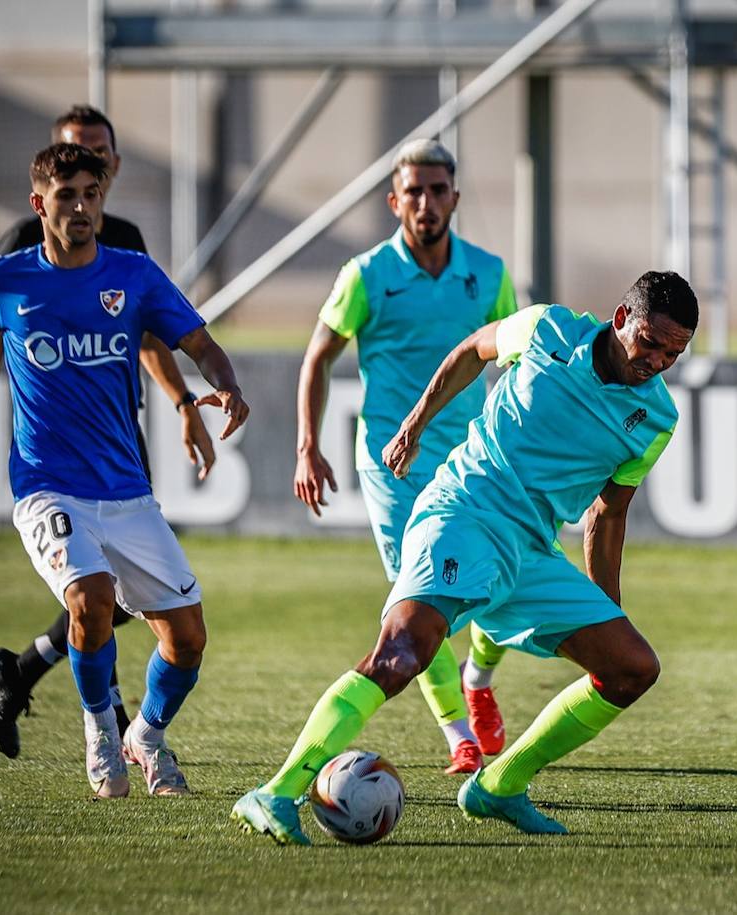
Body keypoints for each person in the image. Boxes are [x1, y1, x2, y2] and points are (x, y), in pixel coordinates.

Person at [233, 271, 696, 845]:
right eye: (651, 342)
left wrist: (608, 610)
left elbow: (609, 511)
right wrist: (416, 422)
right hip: (464, 511)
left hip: (529, 550)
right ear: (622, 319)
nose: (657, 361)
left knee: (633, 667)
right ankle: (276, 791)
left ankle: (499, 785)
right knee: (403, 653)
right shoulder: (548, 328)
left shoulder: (657, 419)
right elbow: (472, 350)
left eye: (673, 353)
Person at [0, 144, 250, 799]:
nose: (81, 207)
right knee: (90, 598)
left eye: (90, 194)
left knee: (188, 638)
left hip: (127, 491)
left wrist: (225, 385)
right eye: (66, 196)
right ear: (39, 204)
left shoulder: (134, 274)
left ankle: (146, 735)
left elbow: (197, 341)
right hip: (48, 486)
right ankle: (101, 734)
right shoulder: (6, 279)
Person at [0, 105, 216, 760]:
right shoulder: (20, 243)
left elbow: (149, 332)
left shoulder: (125, 243)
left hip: (119, 441)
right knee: (94, 592)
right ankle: (110, 727)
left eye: (98, 157)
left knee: (127, 599)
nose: (88, 169)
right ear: (49, 173)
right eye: (75, 155)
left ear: (113, 168)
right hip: (52, 460)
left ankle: (22, 671)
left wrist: (184, 400)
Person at [294, 139, 517, 774]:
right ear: (395, 202)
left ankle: (479, 677)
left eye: (436, 189)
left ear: (454, 197)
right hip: (392, 466)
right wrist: (307, 446)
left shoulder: (491, 274)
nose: (425, 202)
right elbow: (318, 358)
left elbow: (517, 356)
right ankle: (459, 737)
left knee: (504, 585)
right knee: (418, 600)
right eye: (412, 192)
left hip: (475, 462)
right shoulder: (365, 276)